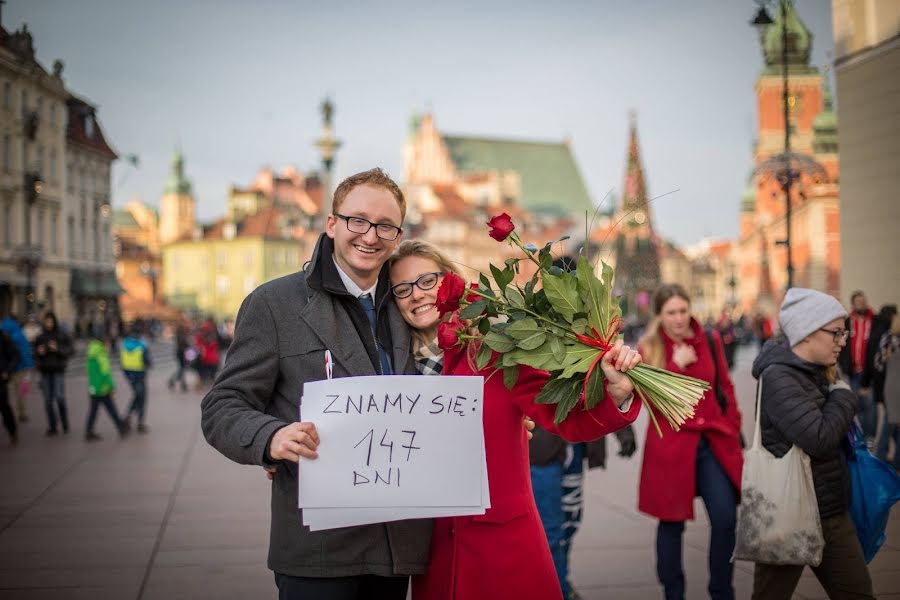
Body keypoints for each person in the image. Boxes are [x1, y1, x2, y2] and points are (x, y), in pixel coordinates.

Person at [202, 169, 432, 600]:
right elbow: (222, 406)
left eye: (386, 226)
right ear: (332, 224)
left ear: (398, 236)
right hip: (319, 549)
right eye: (357, 220)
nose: (370, 235)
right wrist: (271, 437)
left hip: (398, 546)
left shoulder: (408, 305)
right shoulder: (274, 304)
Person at [388, 239, 642, 600]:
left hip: (503, 546)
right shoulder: (391, 367)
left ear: (451, 282)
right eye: (403, 288)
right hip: (437, 554)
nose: (417, 295)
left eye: (428, 280)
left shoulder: (494, 348)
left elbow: (564, 415)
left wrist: (614, 394)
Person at [750, 288, 874, 599]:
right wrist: (843, 395)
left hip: (830, 509)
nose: (842, 341)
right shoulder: (779, 376)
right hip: (788, 514)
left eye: (844, 332)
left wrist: (837, 392)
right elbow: (819, 438)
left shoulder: (820, 370)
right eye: (836, 332)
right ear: (807, 332)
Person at [637, 284, 743, 600]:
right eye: (671, 312)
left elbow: (725, 384)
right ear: (660, 316)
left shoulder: (709, 340)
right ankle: (674, 592)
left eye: (683, 310)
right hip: (671, 446)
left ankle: (721, 590)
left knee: (725, 519)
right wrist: (675, 366)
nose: (679, 318)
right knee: (671, 524)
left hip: (712, 442)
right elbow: (652, 402)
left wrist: (732, 424)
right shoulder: (649, 347)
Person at [840, 291, 877, 441]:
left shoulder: (874, 320)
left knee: (869, 406)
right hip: (853, 371)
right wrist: (843, 365)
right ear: (853, 304)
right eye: (857, 302)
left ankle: (870, 438)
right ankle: (860, 438)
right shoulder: (848, 321)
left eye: (862, 302)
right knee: (856, 406)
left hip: (869, 371)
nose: (860, 305)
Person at [33, 312, 73, 436]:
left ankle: (65, 422)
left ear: (54, 322)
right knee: (48, 401)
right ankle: (52, 425)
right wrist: (39, 352)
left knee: (59, 397)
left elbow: (70, 350)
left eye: (51, 321)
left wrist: (58, 349)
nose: (49, 324)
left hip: (58, 370)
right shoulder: (40, 337)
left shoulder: (61, 335)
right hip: (45, 371)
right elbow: (34, 353)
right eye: (47, 321)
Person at [85, 330, 128, 441]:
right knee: (111, 409)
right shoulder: (101, 354)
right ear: (104, 343)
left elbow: (88, 371)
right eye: (109, 343)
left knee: (93, 411)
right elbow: (106, 373)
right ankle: (121, 428)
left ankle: (89, 431)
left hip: (93, 387)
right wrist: (111, 387)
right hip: (103, 388)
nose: (109, 346)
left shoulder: (91, 353)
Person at [874, 312, 900, 469]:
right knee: (891, 425)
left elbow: (878, 364)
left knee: (889, 424)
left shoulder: (888, 339)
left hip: (891, 386)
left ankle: (879, 461)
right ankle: (894, 465)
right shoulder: (891, 339)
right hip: (894, 387)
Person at [1, 314, 34, 422]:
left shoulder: (4, 333)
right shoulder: (18, 334)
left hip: (6, 368)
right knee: (21, 392)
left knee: (5, 392)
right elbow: (24, 352)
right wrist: (30, 365)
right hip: (20, 368)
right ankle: (22, 413)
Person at [121, 324, 152, 433]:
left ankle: (128, 416)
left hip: (130, 376)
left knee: (137, 395)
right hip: (140, 375)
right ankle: (140, 423)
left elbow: (122, 362)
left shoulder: (124, 344)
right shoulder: (142, 345)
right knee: (142, 398)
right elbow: (148, 362)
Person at [0, 327, 20, 444]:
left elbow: (15, 355)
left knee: (4, 407)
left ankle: (12, 431)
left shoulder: (3, 337)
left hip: (1, 378)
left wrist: (7, 370)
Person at [194, 319, 220, 389]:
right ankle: (211, 385)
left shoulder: (202, 336)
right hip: (211, 359)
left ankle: (204, 384)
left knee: (205, 374)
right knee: (210, 375)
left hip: (206, 359)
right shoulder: (212, 336)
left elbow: (198, 345)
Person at [167, 320, 191, 392]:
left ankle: (180, 383)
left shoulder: (181, 333)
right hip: (181, 352)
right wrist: (188, 344)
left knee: (182, 368)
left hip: (181, 352)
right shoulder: (181, 333)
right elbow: (183, 342)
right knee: (182, 369)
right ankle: (177, 382)